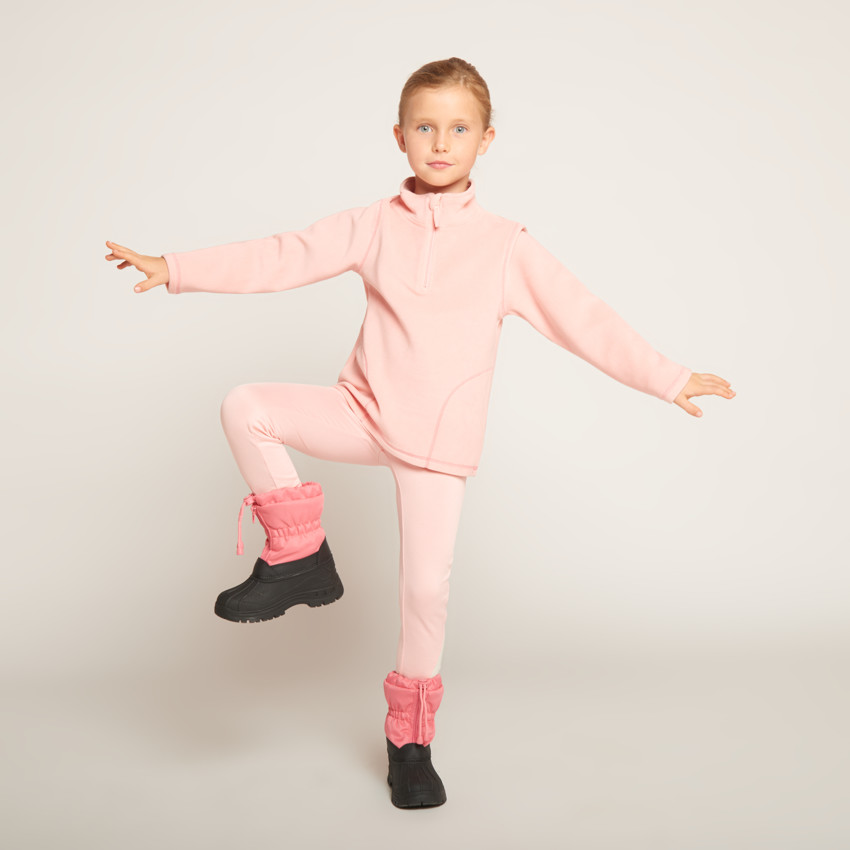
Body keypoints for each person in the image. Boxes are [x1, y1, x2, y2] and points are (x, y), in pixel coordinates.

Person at [104, 56, 735, 809]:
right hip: (364, 411)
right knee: (246, 405)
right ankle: (301, 555)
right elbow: (283, 254)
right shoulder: (373, 225)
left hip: (437, 443)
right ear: (399, 136)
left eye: (459, 128)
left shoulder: (505, 245)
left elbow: (582, 317)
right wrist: (175, 267)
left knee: (424, 591)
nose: (441, 142)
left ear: (486, 140)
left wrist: (667, 376)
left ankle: (410, 743)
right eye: (425, 127)